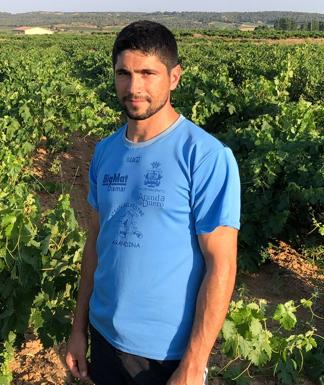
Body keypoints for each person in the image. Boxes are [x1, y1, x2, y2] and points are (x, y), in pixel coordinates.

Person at [65, 20, 240, 385]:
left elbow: (221, 265)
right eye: (124, 73)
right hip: (105, 335)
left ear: (174, 77)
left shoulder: (205, 156)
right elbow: (96, 243)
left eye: (148, 73)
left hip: (166, 354)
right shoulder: (105, 152)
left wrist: (194, 364)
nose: (134, 87)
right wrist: (78, 328)